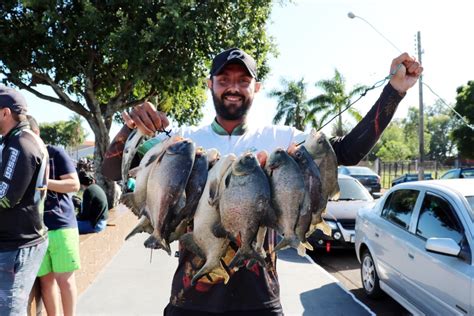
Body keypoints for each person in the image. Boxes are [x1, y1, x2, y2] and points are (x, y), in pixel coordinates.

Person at [102, 48, 422, 315]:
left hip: (260, 301)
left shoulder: (281, 139)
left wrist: (394, 92)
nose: (233, 87)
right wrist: (131, 128)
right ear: (210, 84)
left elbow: (348, 151)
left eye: (243, 80)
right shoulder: (182, 141)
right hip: (191, 301)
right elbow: (113, 170)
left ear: (256, 87)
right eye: (224, 79)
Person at [0, 86, 49, 315]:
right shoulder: (26, 138)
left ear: (5, 113)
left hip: (17, 246)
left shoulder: (19, 144)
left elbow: (5, 197)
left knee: (9, 309)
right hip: (24, 241)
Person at [27, 116, 81, 316]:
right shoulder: (18, 158)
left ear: (36, 133)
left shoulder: (54, 152)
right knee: (46, 281)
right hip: (36, 230)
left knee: (64, 280)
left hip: (61, 225)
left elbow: (74, 185)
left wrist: (43, 183)